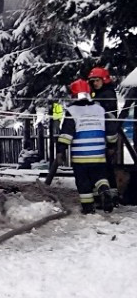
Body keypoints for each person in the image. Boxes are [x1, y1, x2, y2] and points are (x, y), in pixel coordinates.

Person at [57, 79, 118, 214]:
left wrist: (61, 150)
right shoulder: (100, 110)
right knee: (100, 176)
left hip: (80, 156)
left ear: (73, 94)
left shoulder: (72, 111)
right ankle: (104, 189)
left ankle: (88, 208)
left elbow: (66, 134)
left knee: (83, 182)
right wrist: (112, 146)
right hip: (99, 154)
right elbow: (111, 131)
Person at [88, 67, 120, 205]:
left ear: (104, 80)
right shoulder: (103, 94)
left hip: (104, 138)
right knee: (105, 168)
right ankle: (111, 196)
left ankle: (104, 197)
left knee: (101, 168)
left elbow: (108, 119)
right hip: (104, 138)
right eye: (92, 81)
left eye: (97, 80)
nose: (94, 83)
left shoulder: (105, 95)